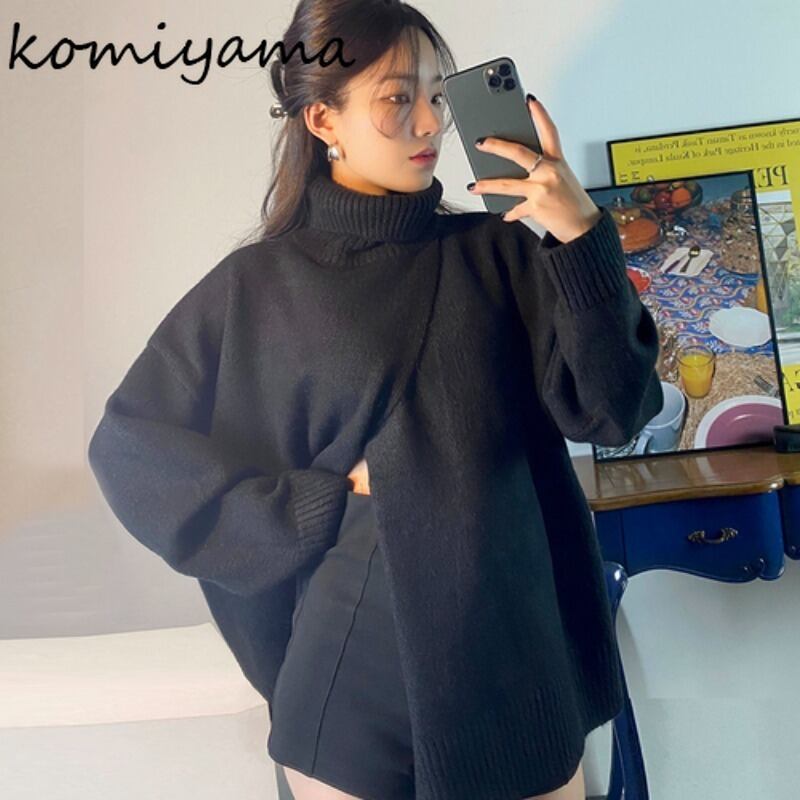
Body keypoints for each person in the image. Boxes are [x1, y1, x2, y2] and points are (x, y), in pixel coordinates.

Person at [88, 1, 663, 799]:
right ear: (323, 118)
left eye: (438, 94)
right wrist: (312, 507)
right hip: (351, 676)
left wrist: (580, 237)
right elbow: (129, 449)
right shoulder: (259, 285)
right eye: (397, 97)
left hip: (516, 668)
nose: (429, 122)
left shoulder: (502, 254)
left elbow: (615, 411)